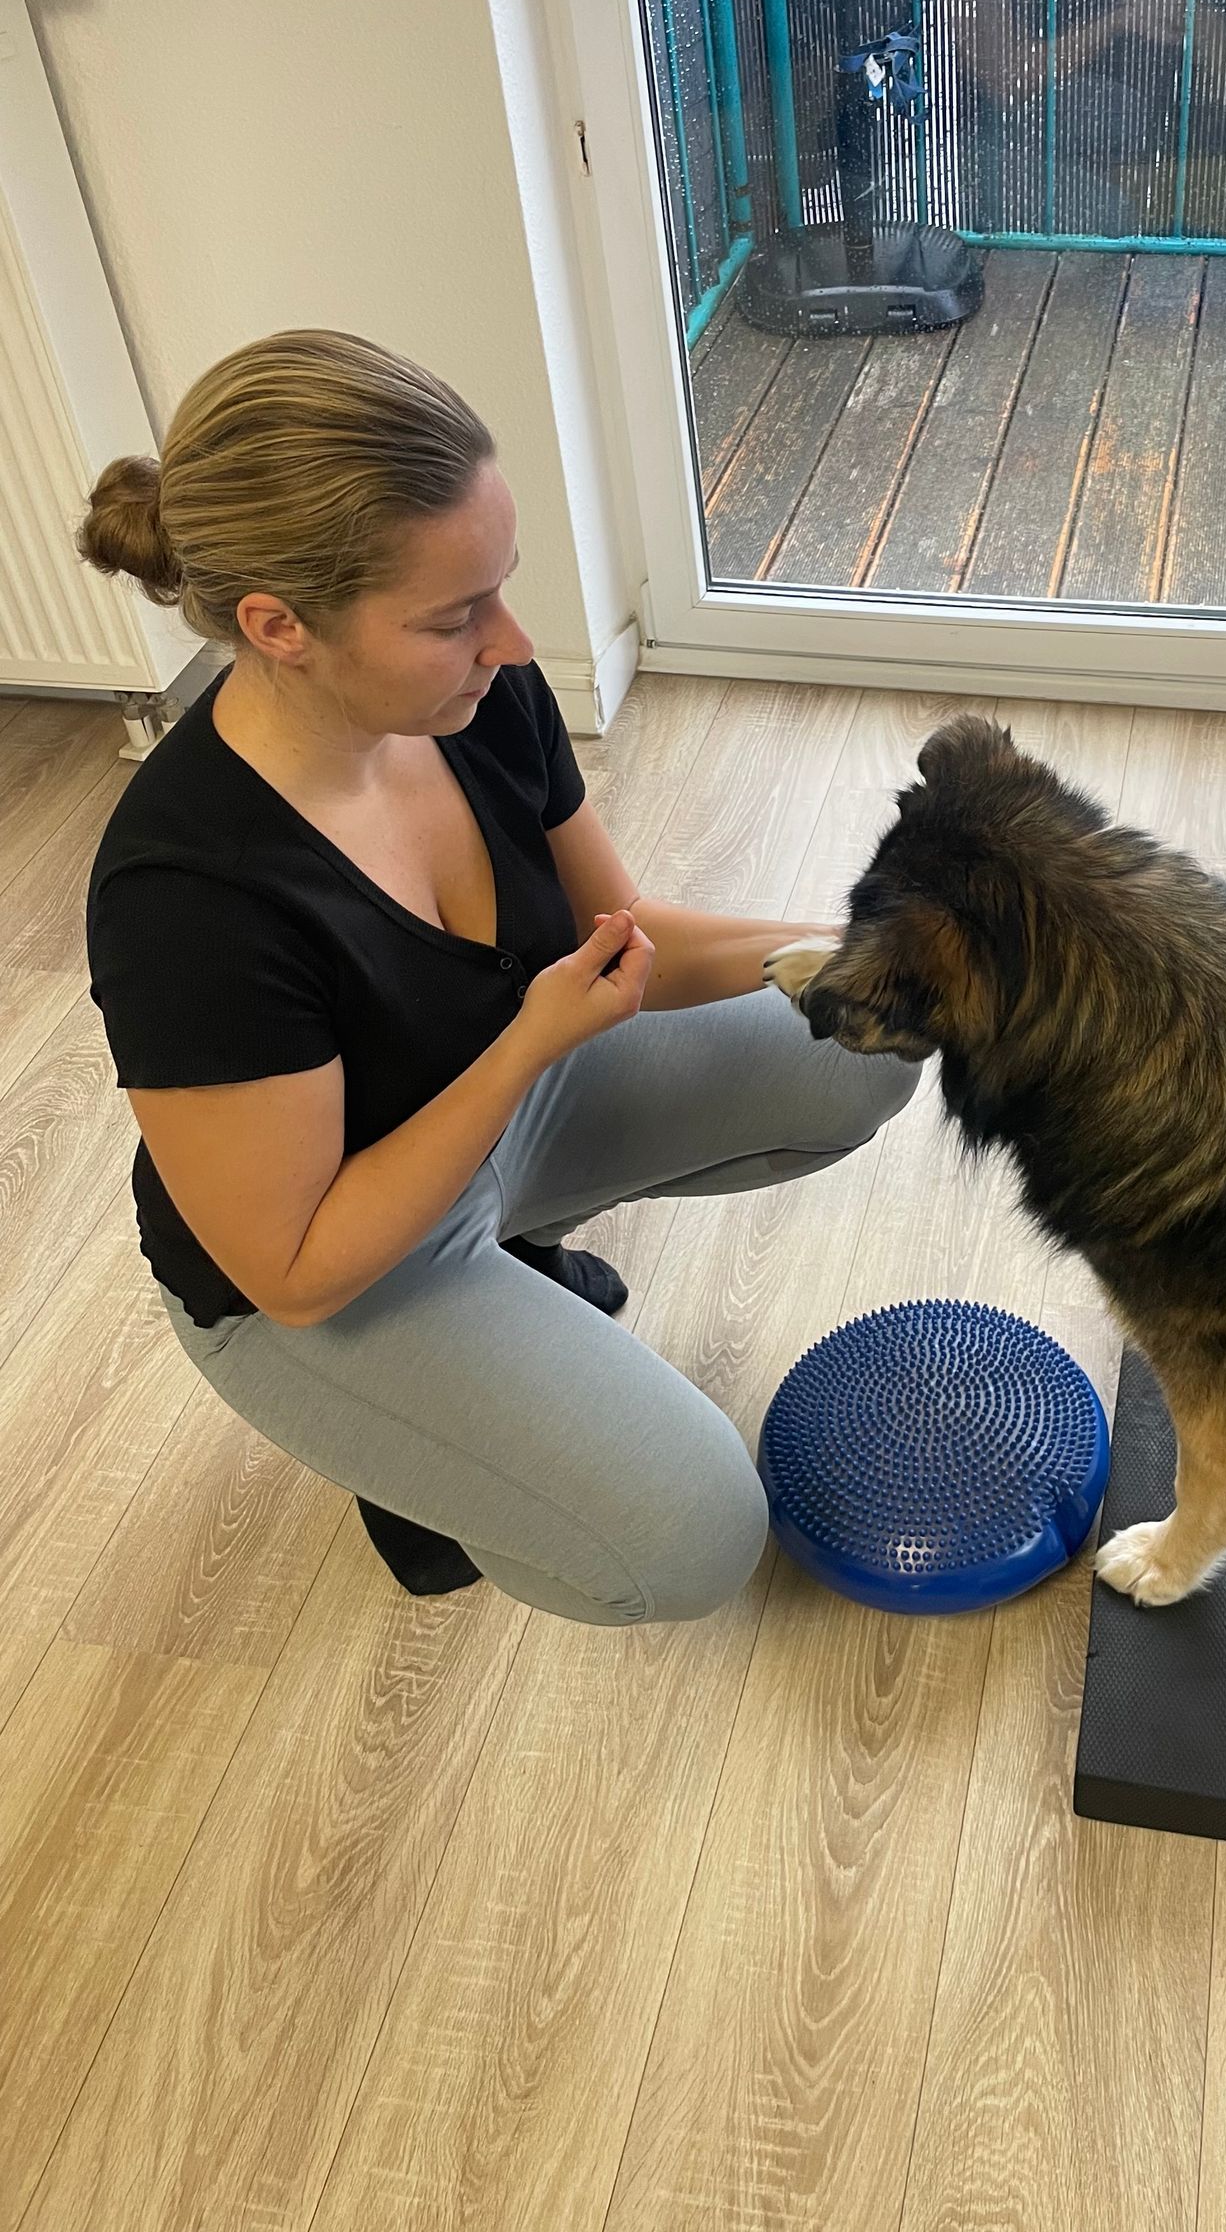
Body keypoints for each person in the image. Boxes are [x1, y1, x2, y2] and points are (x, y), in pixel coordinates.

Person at [78, 330, 917, 1623]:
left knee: (854, 1048)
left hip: (500, 1109)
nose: (513, 641)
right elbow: (296, 1266)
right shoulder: (188, 897)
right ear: (279, 626)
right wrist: (528, 1041)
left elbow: (624, 933)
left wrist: (863, 954)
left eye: (501, 587)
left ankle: (502, 1284)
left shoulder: (472, 698)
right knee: (690, 1543)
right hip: (322, 1267)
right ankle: (417, 1440)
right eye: (453, 615)